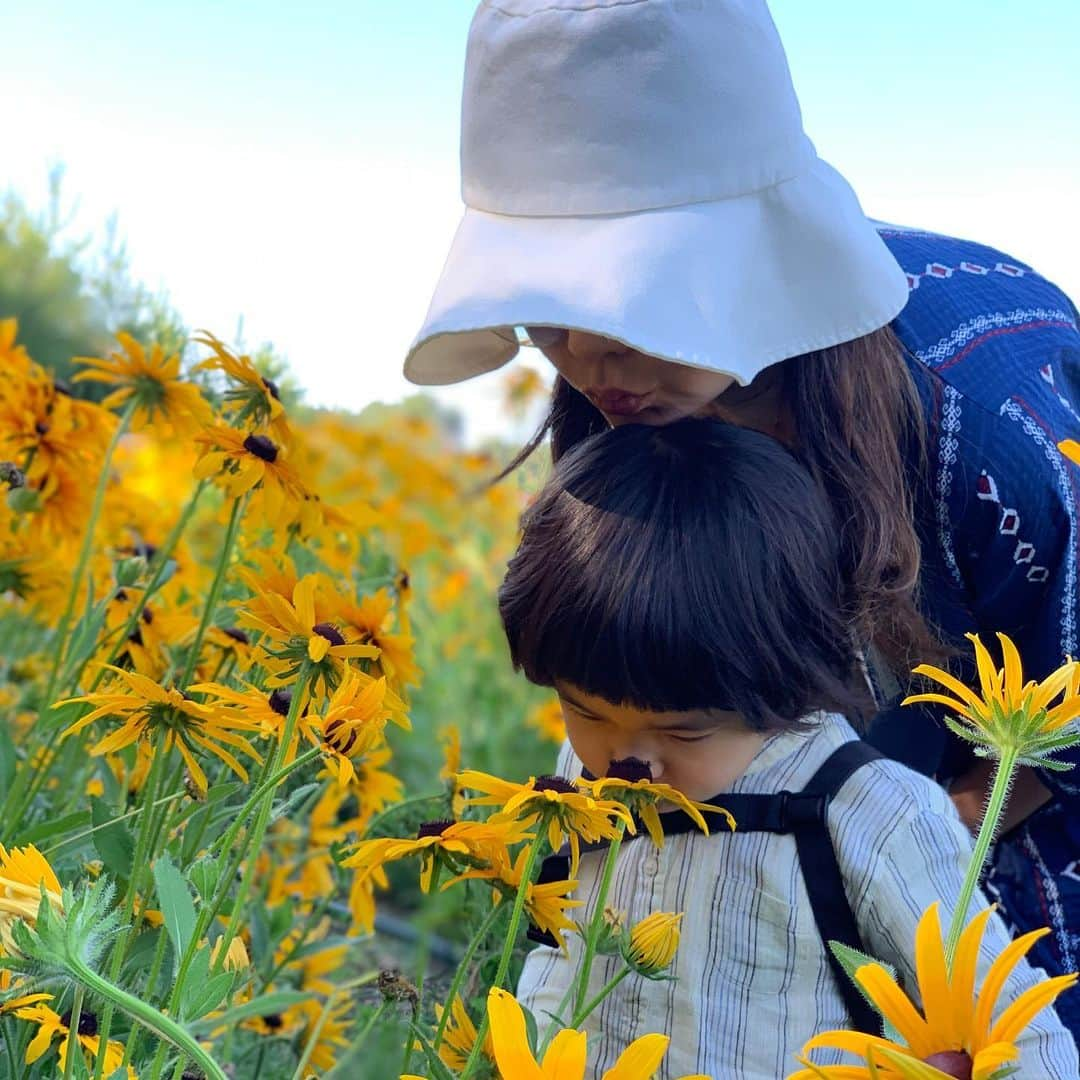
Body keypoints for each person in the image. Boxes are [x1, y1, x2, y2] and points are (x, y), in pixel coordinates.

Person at [402, 0, 1080, 1036]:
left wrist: (892, 862)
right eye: (551, 314)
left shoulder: (985, 421)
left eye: (628, 309)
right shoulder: (620, 395)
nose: (589, 365)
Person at [495, 417, 1077, 1078]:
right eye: (583, 710)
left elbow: (1024, 1039)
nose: (631, 761)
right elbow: (560, 949)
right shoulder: (585, 775)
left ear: (788, 676)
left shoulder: (871, 815)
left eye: (686, 730)